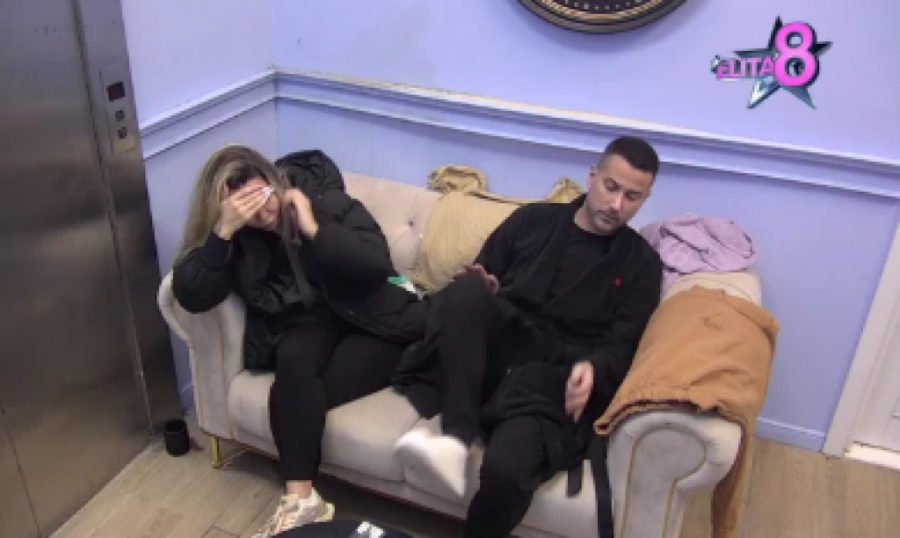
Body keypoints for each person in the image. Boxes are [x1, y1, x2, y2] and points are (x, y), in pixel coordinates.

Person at [392, 136, 664, 537]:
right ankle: (456, 439)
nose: (616, 205)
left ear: (645, 199)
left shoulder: (642, 264)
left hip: (552, 382)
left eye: (632, 197)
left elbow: (623, 344)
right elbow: (482, 277)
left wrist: (593, 367)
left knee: (507, 471)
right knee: (466, 291)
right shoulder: (532, 221)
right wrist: (485, 287)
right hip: (493, 354)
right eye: (611, 187)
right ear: (592, 176)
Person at [171, 146, 425, 538]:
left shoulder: (323, 199)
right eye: (245, 208)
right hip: (306, 322)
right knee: (293, 366)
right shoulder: (239, 239)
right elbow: (192, 294)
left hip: (370, 317)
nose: (260, 213)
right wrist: (223, 232)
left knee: (292, 399)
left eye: (261, 196)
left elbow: (375, 266)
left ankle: (301, 501)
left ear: (272, 180)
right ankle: (302, 501)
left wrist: (313, 228)